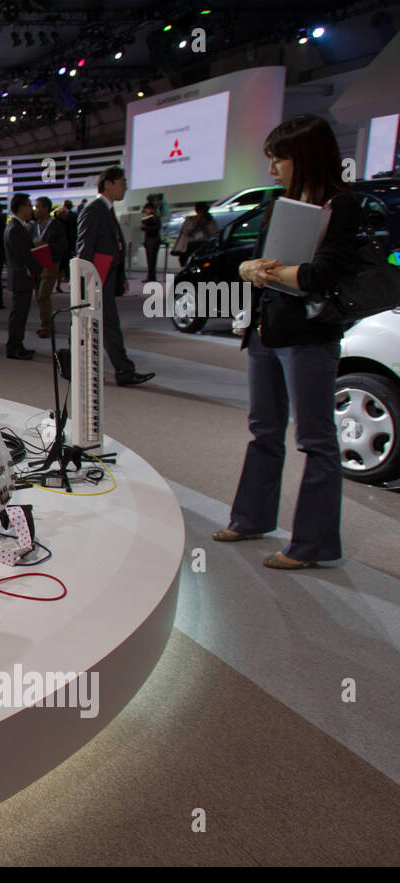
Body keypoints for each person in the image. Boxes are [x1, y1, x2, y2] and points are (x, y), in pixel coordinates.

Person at [216, 115, 363, 570]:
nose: (272, 168)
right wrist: (249, 271)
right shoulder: (279, 204)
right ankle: (251, 519)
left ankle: (312, 545)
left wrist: (266, 272)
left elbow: (320, 275)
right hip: (265, 332)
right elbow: (252, 265)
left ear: (306, 157)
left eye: (279, 159)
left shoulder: (341, 206)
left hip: (310, 338)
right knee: (264, 432)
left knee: (316, 440)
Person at [76, 166, 154, 386]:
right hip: (96, 281)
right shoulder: (94, 209)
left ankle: (120, 370)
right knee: (104, 326)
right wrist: (86, 281)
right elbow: (85, 247)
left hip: (104, 280)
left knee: (96, 327)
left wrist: (120, 278)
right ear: (108, 184)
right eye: (122, 182)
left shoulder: (106, 210)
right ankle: (124, 371)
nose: (125, 187)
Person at [3, 193, 43, 359]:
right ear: (20, 207)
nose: (31, 209)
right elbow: (23, 255)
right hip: (21, 277)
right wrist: (39, 269)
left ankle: (18, 344)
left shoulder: (16, 227)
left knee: (20, 313)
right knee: (18, 314)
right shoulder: (15, 229)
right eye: (28, 205)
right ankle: (14, 347)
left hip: (21, 277)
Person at [33, 196, 68, 338]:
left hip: (51, 262)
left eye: (38, 207)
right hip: (36, 262)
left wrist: (46, 246)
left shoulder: (56, 225)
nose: (36, 210)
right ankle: (46, 323)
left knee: (43, 295)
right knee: (39, 295)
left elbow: (63, 245)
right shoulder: (33, 225)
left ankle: (46, 325)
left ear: (46, 208)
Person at [173, 202, 219, 266]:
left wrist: (205, 224)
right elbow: (186, 232)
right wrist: (195, 223)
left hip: (204, 243)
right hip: (191, 244)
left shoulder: (210, 221)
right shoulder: (190, 220)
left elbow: (214, 233)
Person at [140, 202, 161, 283]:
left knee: (151, 260)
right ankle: (151, 276)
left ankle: (151, 277)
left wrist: (146, 227)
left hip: (153, 240)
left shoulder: (154, 217)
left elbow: (157, 227)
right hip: (150, 240)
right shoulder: (150, 217)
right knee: (150, 260)